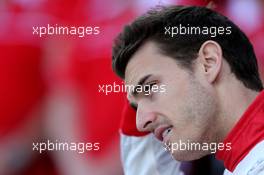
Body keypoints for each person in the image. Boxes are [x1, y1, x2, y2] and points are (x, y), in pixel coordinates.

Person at [112, 5, 264, 175]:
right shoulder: (244, 162)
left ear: (209, 62)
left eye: (149, 88)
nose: (140, 123)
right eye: (135, 106)